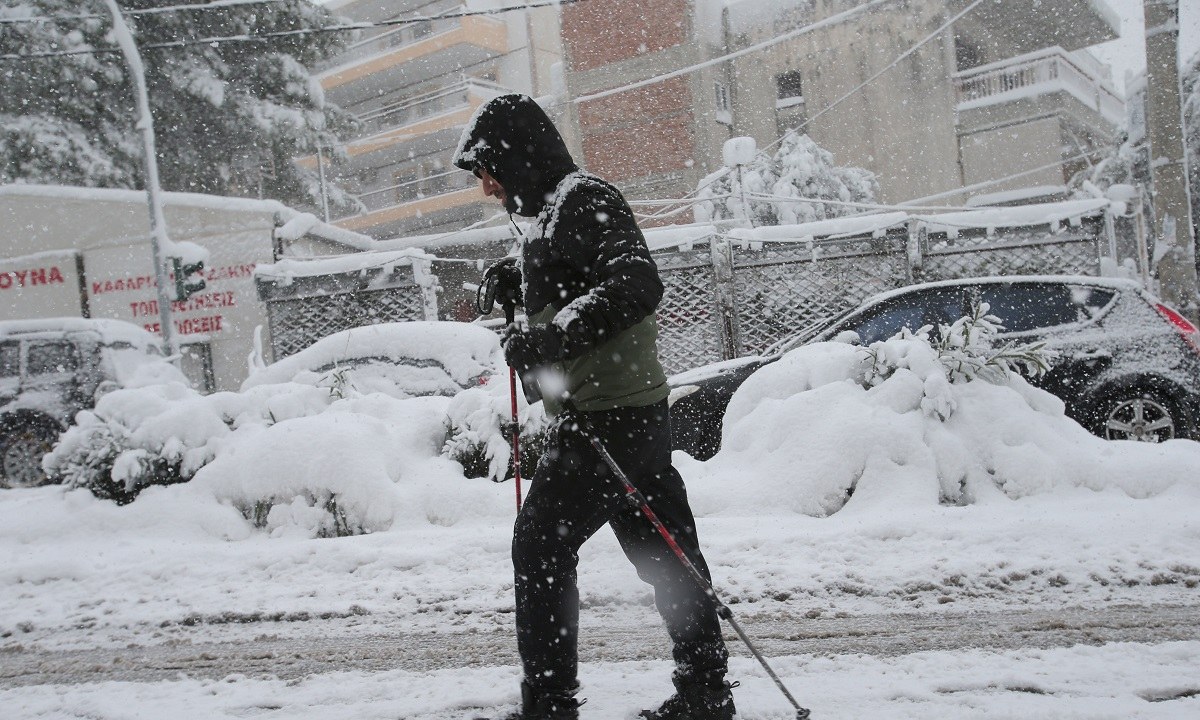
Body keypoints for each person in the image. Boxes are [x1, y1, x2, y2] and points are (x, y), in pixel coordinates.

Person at [453, 94, 736, 720]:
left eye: (487, 169)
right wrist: (517, 278)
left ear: (517, 156)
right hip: (628, 414)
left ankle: (550, 705)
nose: (485, 186)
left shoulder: (586, 199)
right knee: (665, 553)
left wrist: (553, 336)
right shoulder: (554, 214)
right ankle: (706, 692)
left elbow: (635, 284)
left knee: (540, 549)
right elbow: (573, 279)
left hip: (610, 417)